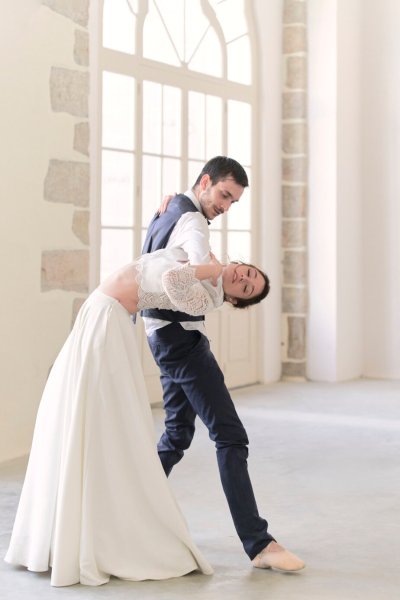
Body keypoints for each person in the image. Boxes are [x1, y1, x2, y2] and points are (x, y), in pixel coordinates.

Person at [4, 246, 269, 587]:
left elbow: (173, 279)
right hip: (97, 311)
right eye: (247, 272)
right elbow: (163, 248)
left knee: (106, 427)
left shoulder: (203, 300)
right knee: (80, 420)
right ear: (241, 262)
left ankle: (105, 524)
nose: (243, 278)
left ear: (234, 301)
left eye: (246, 287)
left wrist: (214, 270)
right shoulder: (193, 252)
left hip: (110, 321)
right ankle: (75, 526)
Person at [142, 155, 306, 572]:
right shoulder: (194, 225)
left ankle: (132, 501)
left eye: (232, 201)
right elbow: (193, 265)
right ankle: (259, 543)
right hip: (180, 341)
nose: (226, 205)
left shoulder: (174, 208)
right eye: (224, 195)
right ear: (205, 182)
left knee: (177, 433)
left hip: (161, 336)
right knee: (230, 436)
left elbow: (168, 255)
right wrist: (211, 267)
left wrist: (179, 205)